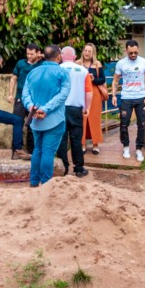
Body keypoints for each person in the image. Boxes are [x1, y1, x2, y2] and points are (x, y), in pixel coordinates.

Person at [21, 45, 70, 187]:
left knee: (38, 149)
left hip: (35, 118)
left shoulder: (33, 72)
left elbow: (25, 93)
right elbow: (62, 96)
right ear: (59, 56)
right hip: (54, 119)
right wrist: (46, 109)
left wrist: (31, 107)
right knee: (48, 151)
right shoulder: (62, 73)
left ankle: (34, 182)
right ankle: (46, 184)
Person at [111, 38, 145, 162]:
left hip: (141, 97)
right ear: (126, 51)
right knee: (124, 124)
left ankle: (139, 149)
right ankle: (126, 146)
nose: (133, 55)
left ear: (138, 49)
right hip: (126, 97)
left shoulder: (144, 62)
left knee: (142, 124)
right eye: (130, 53)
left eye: (135, 52)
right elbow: (115, 80)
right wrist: (113, 95)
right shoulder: (121, 63)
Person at [54, 46, 90, 178]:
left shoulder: (57, 70)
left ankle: (63, 168)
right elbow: (89, 91)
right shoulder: (82, 70)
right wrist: (87, 107)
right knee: (76, 139)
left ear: (61, 57)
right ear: (75, 57)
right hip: (76, 109)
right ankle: (79, 168)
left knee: (61, 139)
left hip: (60, 109)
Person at [12, 44, 43, 154]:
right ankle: (16, 149)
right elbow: (14, 78)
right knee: (17, 123)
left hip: (35, 100)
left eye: (32, 54)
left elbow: (52, 59)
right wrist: (11, 94)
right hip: (20, 98)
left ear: (38, 53)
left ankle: (31, 150)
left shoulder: (41, 64)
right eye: (27, 53)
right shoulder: (21, 63)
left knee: (32, 125)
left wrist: (41, 56)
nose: (29, 56)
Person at [80, 43, 106, 155]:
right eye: (85, 50)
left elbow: (103, 80)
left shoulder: (97, 64)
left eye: (89, 51)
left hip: (95, 94)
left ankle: (95, 144)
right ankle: (83, 144)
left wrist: (93, 79)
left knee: (95, 118)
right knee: (82, 118)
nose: (87, 53)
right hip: (81, 93)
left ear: (93, 53)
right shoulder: (77, 63)